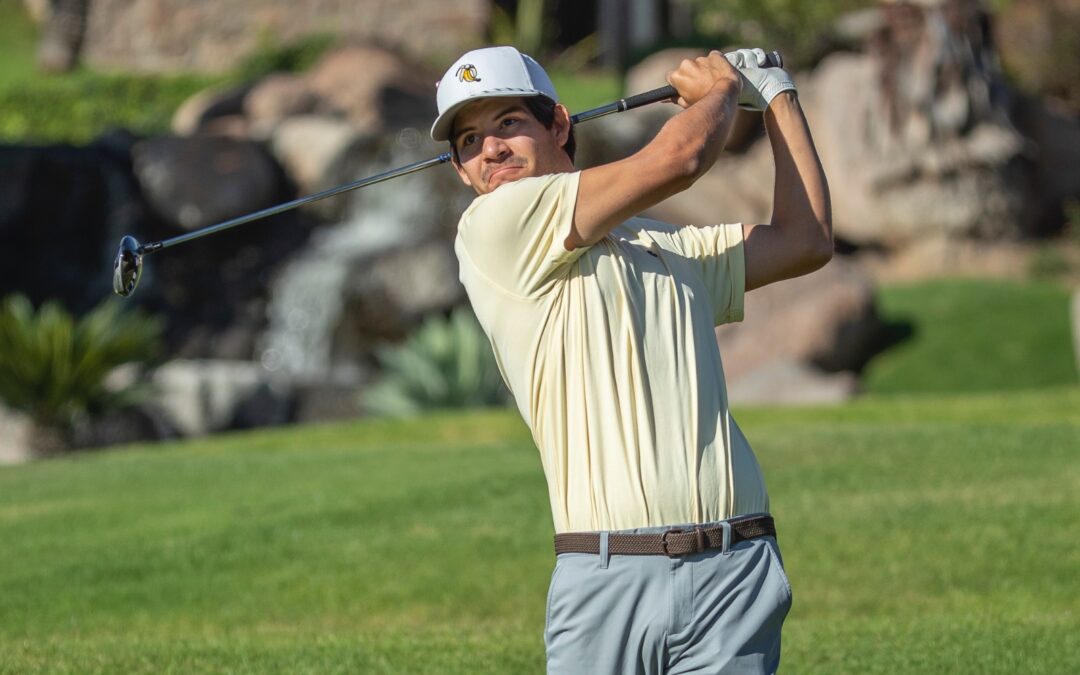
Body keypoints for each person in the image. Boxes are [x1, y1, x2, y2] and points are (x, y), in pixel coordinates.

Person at [431, 45, 832, 674]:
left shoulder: (661, 242)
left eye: (508, 123)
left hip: (736, 565)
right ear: (460, 168)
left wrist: (779, 93)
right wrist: (723, 89)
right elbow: (682, 157)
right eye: (469, 140)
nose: (491, 150)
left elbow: (805, 242)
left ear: (559, 124)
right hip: (608, 574)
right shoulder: (494, 225)